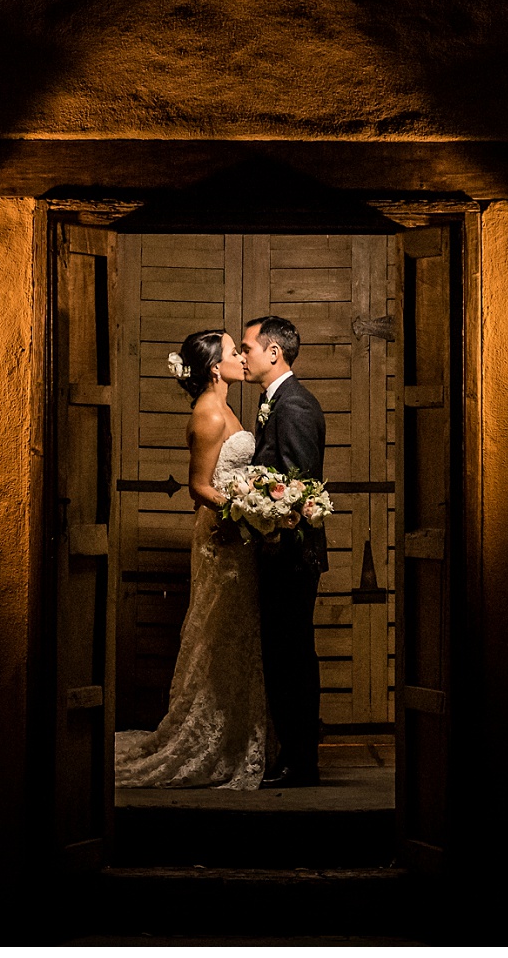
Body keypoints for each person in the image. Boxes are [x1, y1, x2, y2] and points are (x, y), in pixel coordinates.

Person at [114, 328, 278, 789]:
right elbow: (199, 486)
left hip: (239, 537)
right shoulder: (208, 413)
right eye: (233, 352)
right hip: (223, 538)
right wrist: (245, 511)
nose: (242, 358)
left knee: (238, 632)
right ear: (213, 367)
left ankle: (241, 731)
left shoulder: (227, 406)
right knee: (218, 632)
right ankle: (210, 737)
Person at [240, 313, 325, 788]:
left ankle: (300, 762)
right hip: (279, 555)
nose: (243, 356)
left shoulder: (293, 407)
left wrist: (265, 524)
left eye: (248, 347)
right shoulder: (275, 401)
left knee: (291, 658)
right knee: (284, 655)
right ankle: (293, 755)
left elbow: (297, 493)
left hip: (290, 557)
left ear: (274, 352)